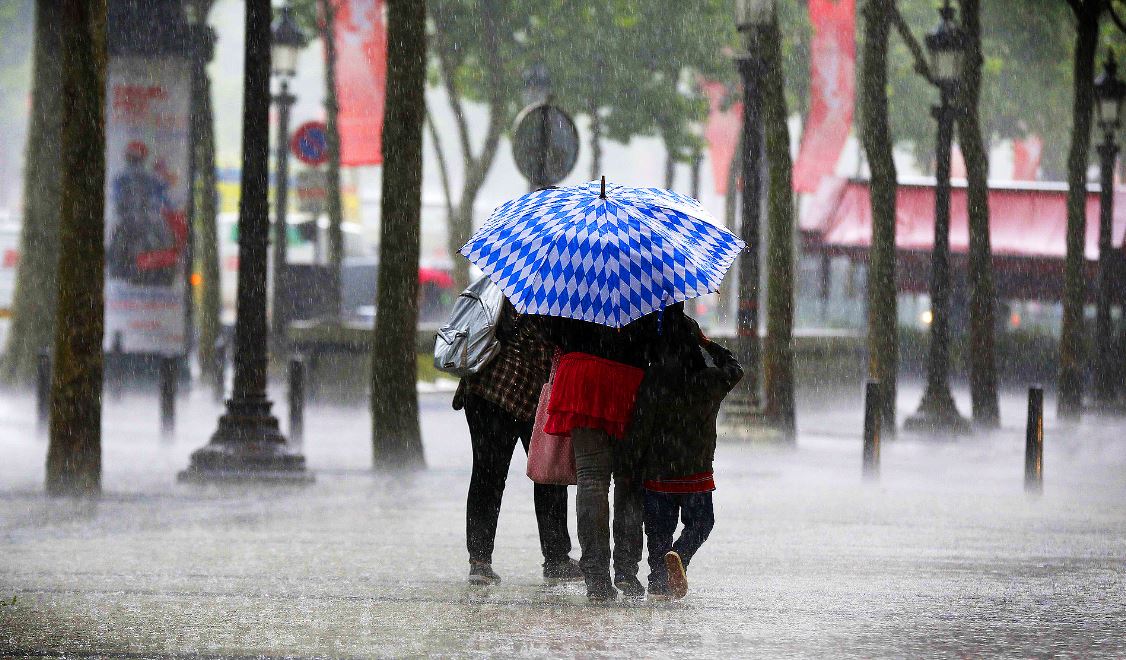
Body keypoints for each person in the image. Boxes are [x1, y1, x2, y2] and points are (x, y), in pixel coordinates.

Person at [453, 300, 582, 586]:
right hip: (518, 392)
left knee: (488, 475)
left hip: (485, 387)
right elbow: (549, 353)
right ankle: (556, 558)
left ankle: (480, 560)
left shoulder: (509, 283)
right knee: (547, 474)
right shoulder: (555, 300)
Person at [625, 304, 743, 600]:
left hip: (658, 471)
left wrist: (632, 463)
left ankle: (657, 582)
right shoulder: (710, 381)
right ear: (693, 342)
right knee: (702, 523)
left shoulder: (653, 380)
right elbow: (735, 369)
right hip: (696, 470)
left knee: (657, 532)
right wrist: (708, 344)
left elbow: (640, 427)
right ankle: (680, 555)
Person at [541, 313, 656, 601]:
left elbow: (550, 328)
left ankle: (596, 577)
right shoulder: (646, 273)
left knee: (591, 479)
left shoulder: (570, 271)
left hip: (581, 373)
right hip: (629, 377)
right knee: (629, 480)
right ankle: (627, 570)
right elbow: (661, 333)